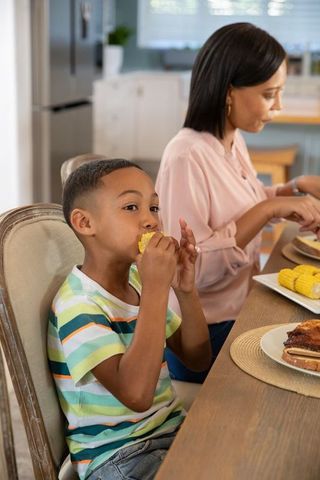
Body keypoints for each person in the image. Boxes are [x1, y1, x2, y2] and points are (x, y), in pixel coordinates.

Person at [156, 22, 320, 383]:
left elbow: (239, 205)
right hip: (205, 334)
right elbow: (191, 270)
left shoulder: (230, 141)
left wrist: (293, 190)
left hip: (238, 308)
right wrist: (268, 209)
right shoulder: (186, 155)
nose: (278, 106)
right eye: (269, 94)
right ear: (229, 91)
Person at [47, 159, 211, 480]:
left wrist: (186, 291)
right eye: (132, 207)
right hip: (118, 456)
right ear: (84, 222)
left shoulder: (136, 282)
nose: (150, 220)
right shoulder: (77, 305)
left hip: (169, 429)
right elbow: (137, 395)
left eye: (154, 207)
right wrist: (156, 288)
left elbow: (197, 359)